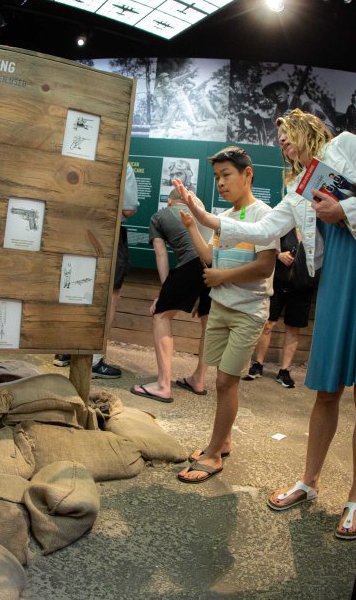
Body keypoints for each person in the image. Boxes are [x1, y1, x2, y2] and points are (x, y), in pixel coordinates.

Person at [175, 109, 356, 539]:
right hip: (334, 279)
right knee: (326, 391)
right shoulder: (298, 187)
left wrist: (343, 208)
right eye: (278, 137)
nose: (282, 142)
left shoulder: (346, 145)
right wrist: (204, 218)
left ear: (307, 128)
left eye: (286, 133)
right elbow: (264, 228)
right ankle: (309, 482)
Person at [174, 147, 278, 483]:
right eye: (217, 177)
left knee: (225, 381)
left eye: (226, 175)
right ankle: (225, 441)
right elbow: (210, 257)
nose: (220, 182)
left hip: (247, 311)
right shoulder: (223, 216)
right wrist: (192, 225)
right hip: (220, 306)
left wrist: (222, 277)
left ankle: (214, 453)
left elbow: (265, 266)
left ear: (248, 174)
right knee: (222, 379)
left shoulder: (265, 215)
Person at [54, 162, 138, 378]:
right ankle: (93, 359)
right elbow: (128, 208)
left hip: (76, 230)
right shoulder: (123, 164)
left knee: (76, 287)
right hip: (108, 233)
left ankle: (66, 350)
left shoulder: (78, 161)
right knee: (110, 294)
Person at [129, 189, 212, 402]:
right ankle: (199, 380)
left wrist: (164, 293)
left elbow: (160, 253)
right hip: (215, 266)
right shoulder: (203, 214)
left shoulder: (159, 216)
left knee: (161, 315)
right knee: (208, 322)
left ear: (169, 201)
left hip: (192, 263)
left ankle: (163, 385)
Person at [246, 230, 314, 389]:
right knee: (267, 324)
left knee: (293, 328)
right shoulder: (285, 226)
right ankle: (258, 364)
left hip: (302, 287)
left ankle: (284, 371)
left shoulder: (317, 230)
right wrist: (278, 255)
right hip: (277, 282)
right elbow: (264, 245)